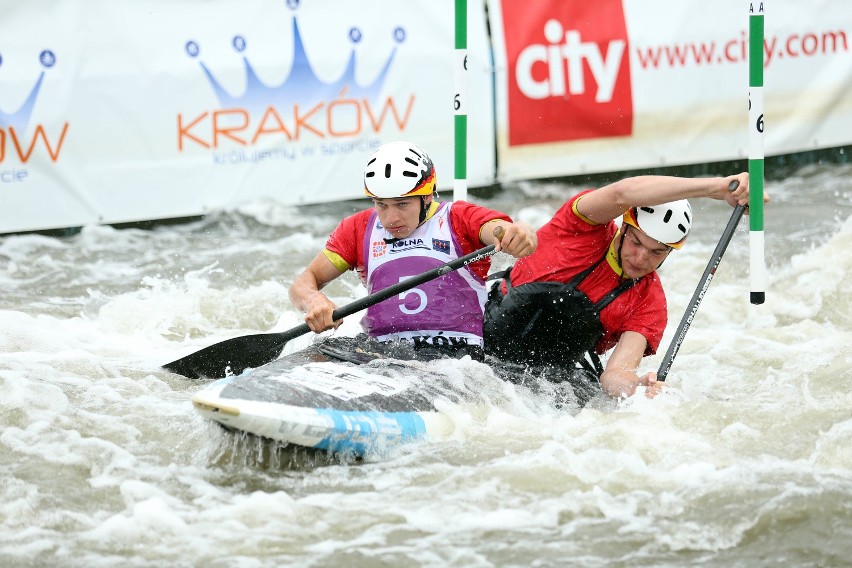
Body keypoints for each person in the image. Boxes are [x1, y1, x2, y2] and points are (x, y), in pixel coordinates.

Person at [483, 173, 768, 399]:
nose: (641, 258)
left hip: (550, 377)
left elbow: (615, 374)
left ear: (670, 253)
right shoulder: (581, 226)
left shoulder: (649, 302)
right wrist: (716, 188)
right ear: (624, 227)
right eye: (636, 242)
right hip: (483, 341)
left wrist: (637, 386)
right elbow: (622, 193)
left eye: (657, 253)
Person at [289, 140, 537, 361]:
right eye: (381, 205)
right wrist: (314, 300)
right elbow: (302, 283)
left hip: (456, 360)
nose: (390, 218)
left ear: (427, 196)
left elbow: (500, 230)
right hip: (381, 353)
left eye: (402, 204)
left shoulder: (459, 218)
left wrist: (518, 232)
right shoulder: (357, 228)